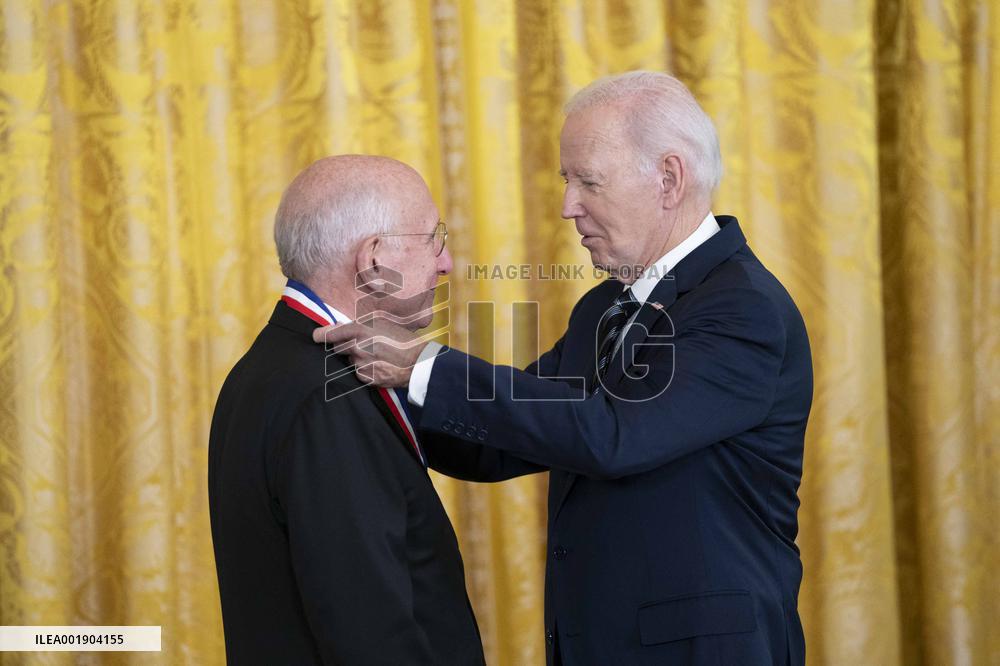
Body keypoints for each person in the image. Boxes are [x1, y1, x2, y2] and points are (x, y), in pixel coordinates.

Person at [319, 72, 813, 665]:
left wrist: (422, 366)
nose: (566, 206)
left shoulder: (742, 307)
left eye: (589, 182)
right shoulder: (604, 307)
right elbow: (504, 443)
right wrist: (368, 402)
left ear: (669, 179)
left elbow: (613, 434)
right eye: (565, 180)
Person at [208, 155, 485, 665]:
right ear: (374, 260)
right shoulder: (323, 395)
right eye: (433, 239)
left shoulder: (272, 368)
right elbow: (368, 629)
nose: (445, 262)